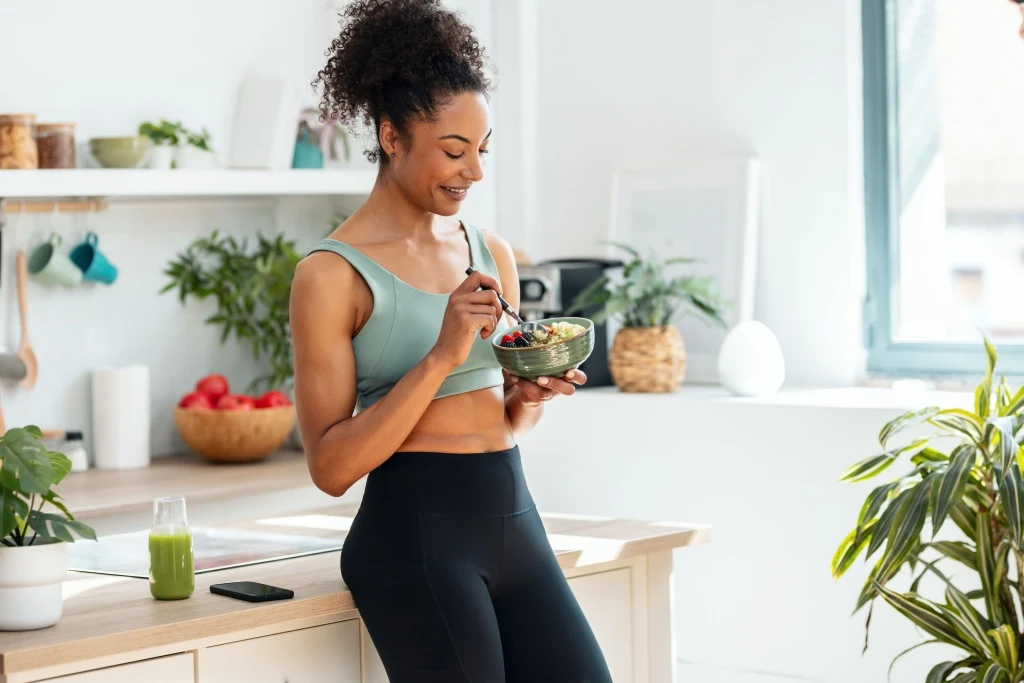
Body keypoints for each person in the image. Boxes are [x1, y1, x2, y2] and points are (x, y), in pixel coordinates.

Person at [289, 1, 614, 681]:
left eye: (483, 150)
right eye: (454, 151)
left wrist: (529, 392)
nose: (474, 172)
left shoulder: (488, 250)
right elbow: (330, 466)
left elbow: (502, 418)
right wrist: (441, 354)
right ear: (391, 136)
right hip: (413, 535)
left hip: (512, 515)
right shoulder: (330, 274)